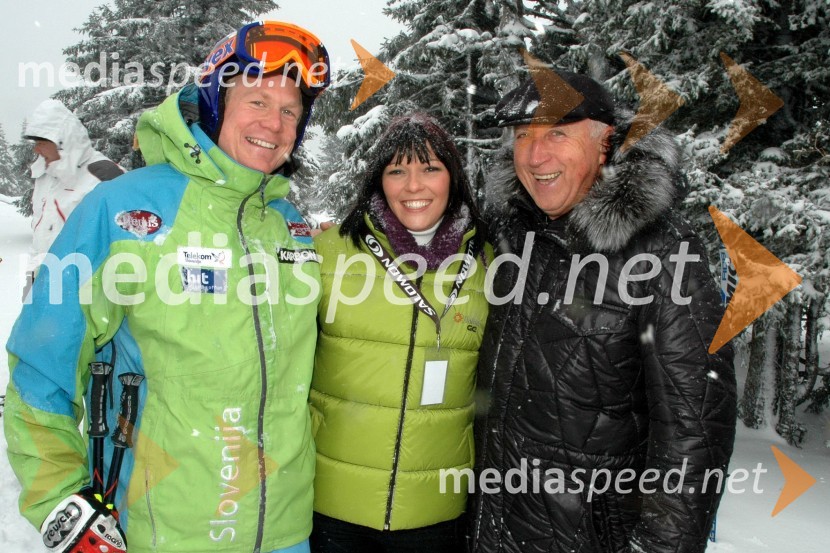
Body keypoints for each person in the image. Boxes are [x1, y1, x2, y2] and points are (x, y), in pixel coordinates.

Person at [4, 21, 330, 553]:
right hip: (161, 534)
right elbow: (41, 369)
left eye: (290, 111)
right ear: (216, 103)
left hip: (285, 533)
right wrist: (60, 500)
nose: (274, 124)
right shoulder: (124, 209)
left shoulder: (289, 225)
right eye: (256, 101)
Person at [469, 71, 737, 553]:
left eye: (557, 134)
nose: (535, 155)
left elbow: (694, 431)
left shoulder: (663, 254)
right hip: (491, 531)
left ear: (604, 142)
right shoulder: (508, 234)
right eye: (524, 136)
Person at [310, 114, 492, 553]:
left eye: (430, 168)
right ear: (379, 180)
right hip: (333, 503)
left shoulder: (490, 262)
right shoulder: (328, 252)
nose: (413, 186)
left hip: (436, 509)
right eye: (397, 171)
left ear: (453, 176)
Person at [23, 99, 123, 289]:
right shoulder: (45, 177)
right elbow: (41, 235)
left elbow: (125, 239)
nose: (36, 149)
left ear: (62, 141)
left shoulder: (103, 175)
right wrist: (32, 281)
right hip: (46, 284)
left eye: (41, 142)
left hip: (88, 288)